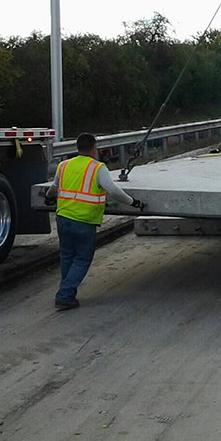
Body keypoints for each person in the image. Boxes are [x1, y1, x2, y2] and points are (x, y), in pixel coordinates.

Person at [46, 133, 142, 310]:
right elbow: (112, 189)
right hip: (84, 220)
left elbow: (54, 188)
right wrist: (132, 202)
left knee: (67, 255)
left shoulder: (64, 165)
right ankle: (65, 295)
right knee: (82, 258)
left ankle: (68, 292)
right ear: (93, 148)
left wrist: (48, 197)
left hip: (63, 218)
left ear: (78, 147)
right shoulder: (98, 168)